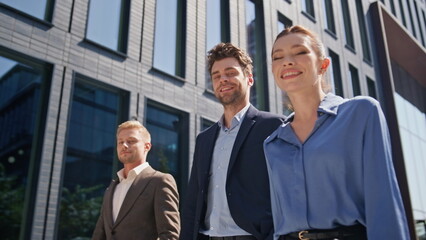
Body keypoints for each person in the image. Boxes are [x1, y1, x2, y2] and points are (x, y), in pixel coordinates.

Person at [264, 25, 410, 240]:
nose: (287, 61)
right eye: (278, 57)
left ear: (323, 65)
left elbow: (383, 201)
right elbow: (278, 222)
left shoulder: (361, 112)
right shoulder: (273, 143)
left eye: (300, 52)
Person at [180, 43, 284, 240]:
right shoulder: (204, 139)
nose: (223, 80)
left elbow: (285, 193)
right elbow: (193, 200)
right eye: (216, 76)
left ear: (249, 78)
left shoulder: (273, 126)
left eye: (230, 72)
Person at [92, 120, 180, 240]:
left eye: (131, 141)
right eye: (120, 142)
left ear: (147, 146)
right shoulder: (111, 188)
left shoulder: (160, 181)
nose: (124, 145)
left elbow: (170, 235)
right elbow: (99, 235)